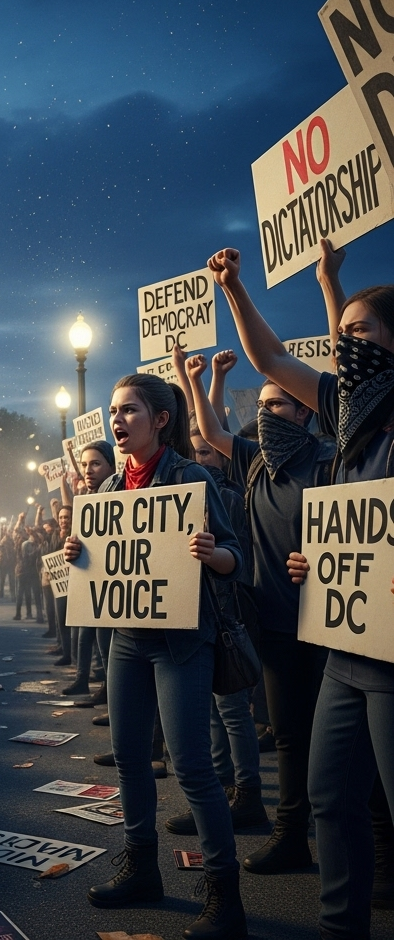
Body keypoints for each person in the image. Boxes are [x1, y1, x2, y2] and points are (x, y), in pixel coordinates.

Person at [211, 242, 394, 940]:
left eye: (360, 333)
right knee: (328, 798)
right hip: (347, 647)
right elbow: (270, 361)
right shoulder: (348, 417)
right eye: (340, 334)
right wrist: (234, 289)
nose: (346, 345)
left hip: (391, 653)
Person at [64, 373, 246, 940]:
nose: (117, 421)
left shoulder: (190, 478)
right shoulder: (107, 491)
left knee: (191, 765)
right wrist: (79, 553)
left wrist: (213, 553)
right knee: (128, 757)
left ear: (161, 419)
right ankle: (142, 867)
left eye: (130, 411)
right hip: (126, 638)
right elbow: (103, 566)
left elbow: (237, 555)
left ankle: (225, 898)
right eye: (114, 412)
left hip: (180, 641)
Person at [185, 347, 330, 870]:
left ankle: (372, 848)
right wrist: (193, 376)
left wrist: (324, 562)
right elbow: (211, 429)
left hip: (330, 623)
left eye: (278, 406)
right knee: (289, 736)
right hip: (272, 622)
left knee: (335, 739)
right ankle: (292, 836)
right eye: (262, 406)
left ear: (306, 414)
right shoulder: (254, 461)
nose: (266, 414)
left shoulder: (328, 461)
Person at [164, 401, 269, 837]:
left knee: (231, 709)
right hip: (192, 613)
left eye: (206, 453)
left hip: (222, 610)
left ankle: (247, 793)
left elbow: (238, 558)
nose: (198, 459)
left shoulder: (226, 495)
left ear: (222, 455)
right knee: (211, 710)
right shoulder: (181, 490)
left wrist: (213, 554)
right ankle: (225, 783)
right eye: (194, 453)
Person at [62, 441, 115, 699]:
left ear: (111, 465)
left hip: (111, 583)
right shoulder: (85, 501)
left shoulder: (120, 494)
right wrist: (72, 548)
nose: (88, 470)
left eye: (95, 463)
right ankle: (83, 680)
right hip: (89, 580)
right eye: (84, 465)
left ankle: (109, 692)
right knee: (84, 637)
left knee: (106, 643)